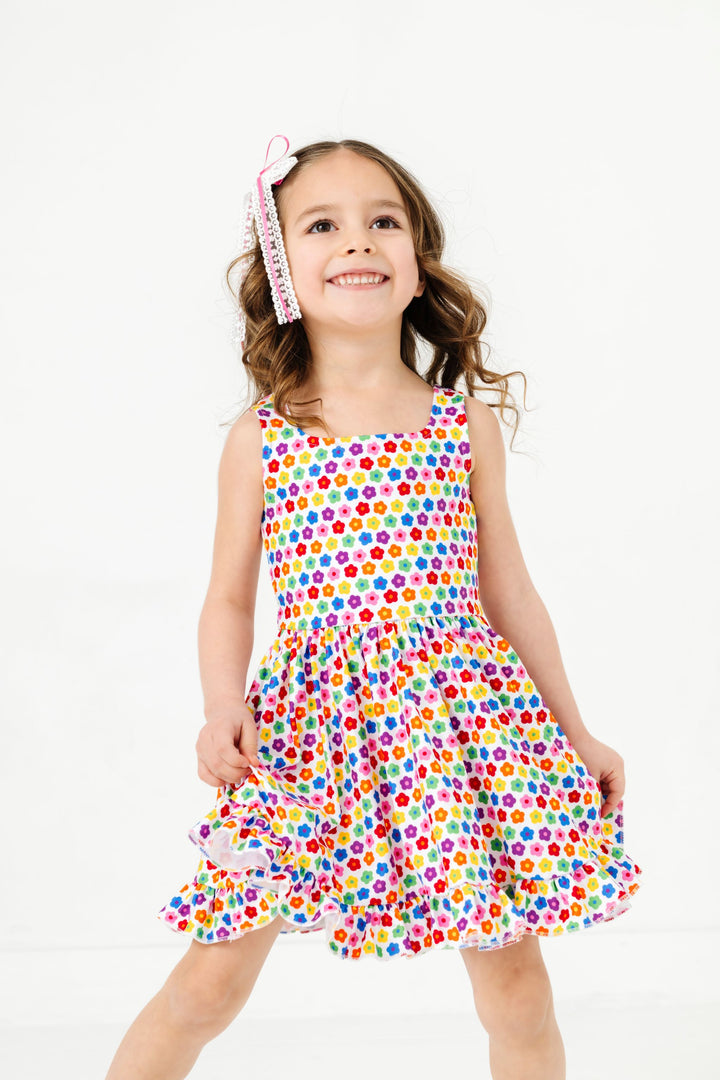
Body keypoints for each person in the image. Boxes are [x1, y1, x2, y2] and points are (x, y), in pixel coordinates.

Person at [104, 135, 643, 1080]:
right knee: (208, 985)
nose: (357, 241)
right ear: (282, 266)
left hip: (463, 729)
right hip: (310, 736)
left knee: (518, 992)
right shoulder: (264, 438)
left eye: (382, 220)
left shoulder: (456, 423)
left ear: (416, 258)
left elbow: (510, 591)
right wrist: (221, 704)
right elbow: (229, 596)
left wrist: (577, 730)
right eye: (322, 224)